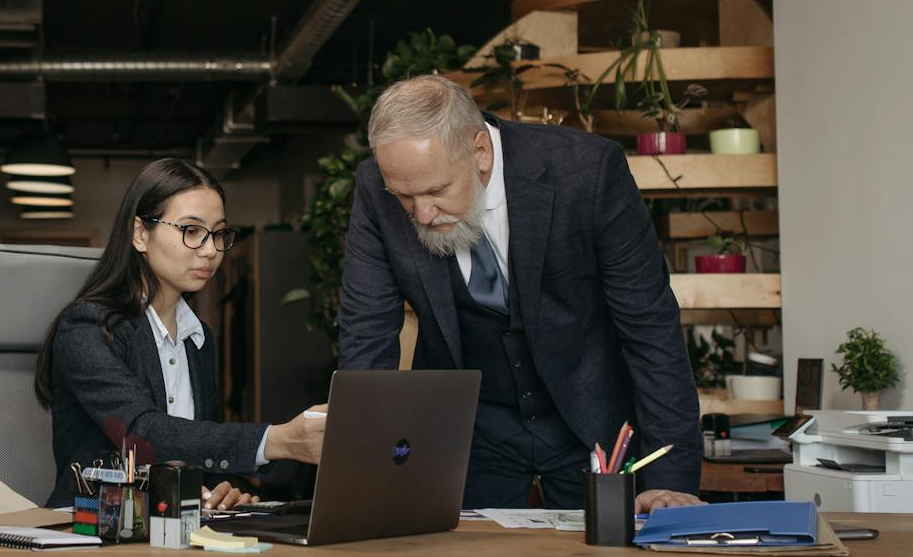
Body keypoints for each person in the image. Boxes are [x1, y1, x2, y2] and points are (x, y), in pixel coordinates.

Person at [338, 74, 701, 513]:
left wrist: (671, 482)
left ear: (480, 151)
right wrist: (357, 479)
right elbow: (366, 334)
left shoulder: (587, 172)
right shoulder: (377, 188)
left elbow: (650, 328)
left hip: (593, 431)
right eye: (405, 198)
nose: (422, 214)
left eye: (436, 191)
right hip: (468, 435)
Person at [36, 157, 327, 509]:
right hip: (95, 530)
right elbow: (141, 433)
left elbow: (192, 446)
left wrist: (220, 487)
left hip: (172, 530)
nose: (209, 250)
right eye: (191, 231)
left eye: (218, 233)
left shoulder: (197, 338)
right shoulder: (87, 328)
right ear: (140, 234)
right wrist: (275, 440)